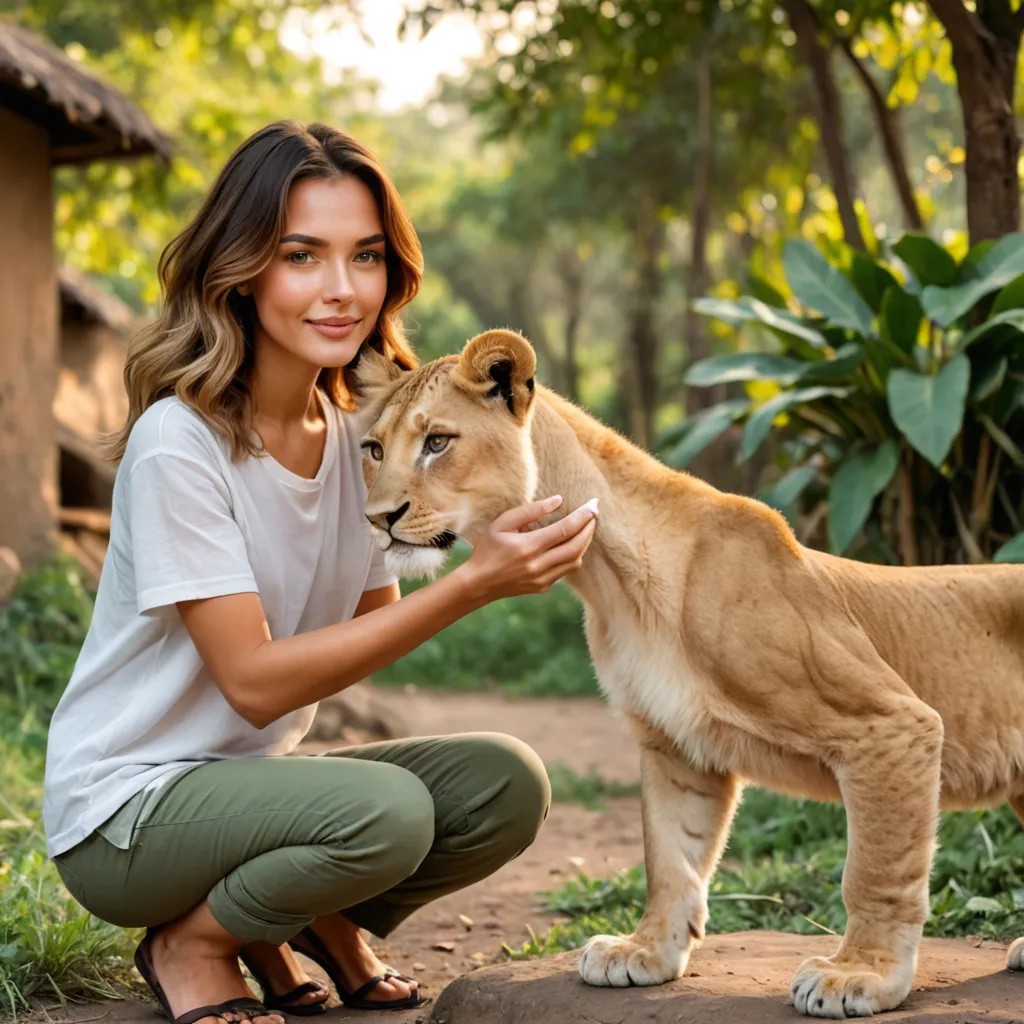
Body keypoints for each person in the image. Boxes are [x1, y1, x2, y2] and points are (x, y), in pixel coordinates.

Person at [43, 120, 598, 1024]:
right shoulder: (178, 445)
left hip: (250, 795)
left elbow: (371, 619)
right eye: (303, 256)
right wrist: (471, 587)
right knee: (385, 812)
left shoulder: (360, 441)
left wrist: (470, 520)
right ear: (242, 268)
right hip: (127, 815)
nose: (342, 290)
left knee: (505, 784)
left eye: (367, 257)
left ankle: (285, 916)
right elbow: (255, 686)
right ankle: (196, 942)